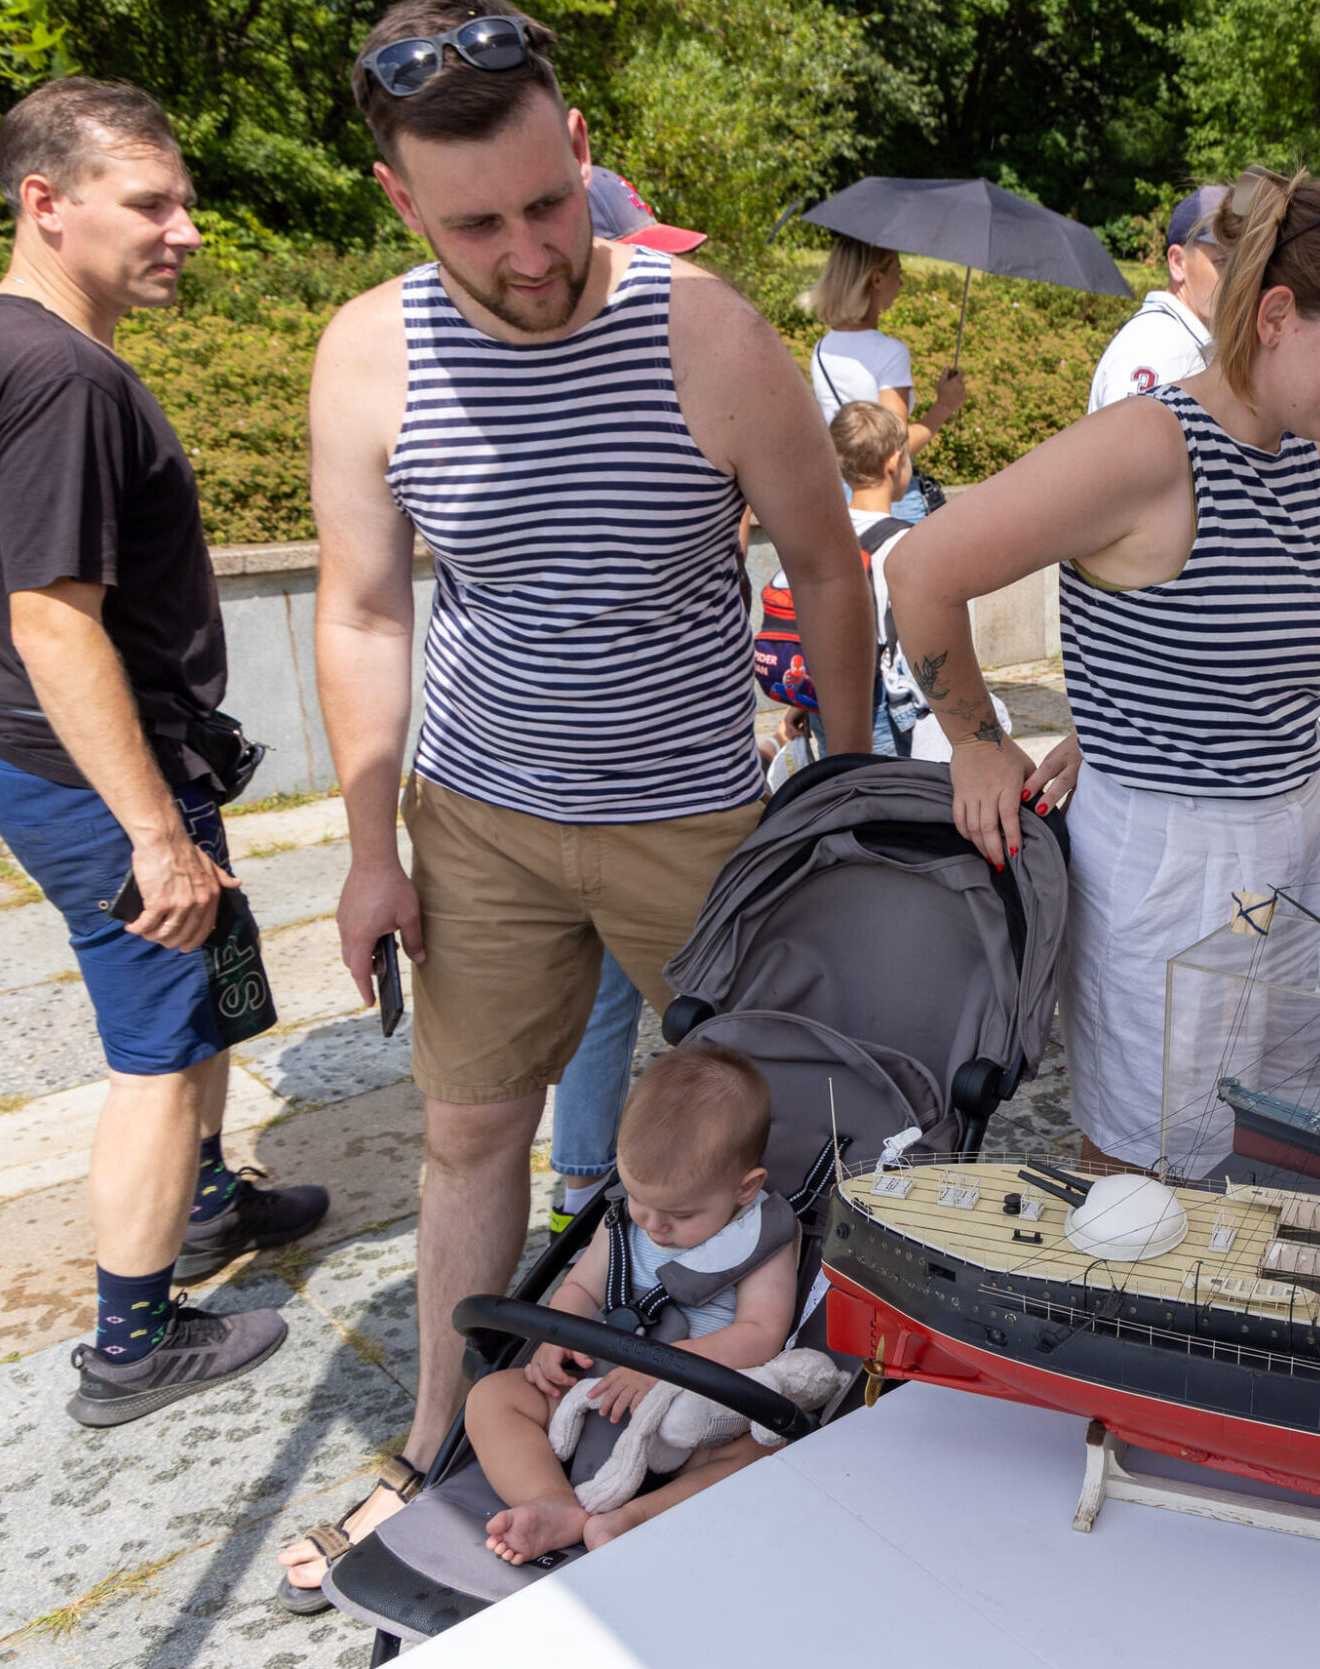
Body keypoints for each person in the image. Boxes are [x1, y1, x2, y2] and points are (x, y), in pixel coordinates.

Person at [281, 0, 873, 1608]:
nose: (531, 252)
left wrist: (837, 792)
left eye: (551, 204)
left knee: (776, 1137)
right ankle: (431, 1446)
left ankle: (764, 1412)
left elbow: (826, 565)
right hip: (477, 810)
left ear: (583, 154)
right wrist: (363, 851)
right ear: (403, 202)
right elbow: (363, 611)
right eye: (478, 222)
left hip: (692, 812)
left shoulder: (706, 331)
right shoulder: (368, 355)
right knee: (471, 1135)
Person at [888, 167, 1320, 1172]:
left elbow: (1207, 643)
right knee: (1148, 1165)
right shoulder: (1149, 446)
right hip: (1172, 867)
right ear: (1275, 314)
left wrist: (1105, 715)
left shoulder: (1312, 459)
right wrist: (977, 743)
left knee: (1280, 1136)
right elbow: (921, 568)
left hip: (1300, 835)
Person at [0, 78, 328, 1429]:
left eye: (186, 199)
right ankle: (132, 1342)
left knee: (207, 982)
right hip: (101, 780)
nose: (188, 229)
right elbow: (52, 617)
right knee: (155, 1050)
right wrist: (154, 828)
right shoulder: (59, 378)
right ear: (48, 203)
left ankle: (208, 1202)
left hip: (54, 760)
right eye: (150, 203)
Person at [541, 166, 715, 1237]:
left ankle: (588, 1181)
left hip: (643, 770)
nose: (664, 280)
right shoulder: (590, 394)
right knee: (688, 995)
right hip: (626, 778)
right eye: (642, 258)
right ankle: (666, 1188)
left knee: (617, 995)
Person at [464, 1042, 796, 1561]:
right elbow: (582, 1288)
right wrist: (557, 1338)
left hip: (687, 1410)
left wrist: (664, 1370)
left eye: (680, 1215)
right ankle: (551, 1503)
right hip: (592, 1384)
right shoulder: (627, 1219)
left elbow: (761, 1333)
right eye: (639, 1200)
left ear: (745, 1189)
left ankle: (635, 1518)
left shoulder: (763, 1237)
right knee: (491, 1398)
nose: (655, 1225)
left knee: (758, 1450)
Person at [754, 400, 930, 761]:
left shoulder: (820, 533)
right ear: (894, 462)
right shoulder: (903, 542)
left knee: (842, 785)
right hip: (878, 707)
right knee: (884, 795)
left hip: (822, 699)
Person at [801, 235, 965, 523]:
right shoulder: (890, 352)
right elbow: (894, 449)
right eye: (898, 273)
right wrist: (944, 406)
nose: (901, 283)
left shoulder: (821, 349)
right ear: (876, 279)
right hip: (889, 500)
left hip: (841, 494)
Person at [1086, 185, 1228, 414]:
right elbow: (1127, 447)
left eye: (1245, 263)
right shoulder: (1158, 346)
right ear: (1177, 263)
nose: (1239, 278)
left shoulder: (1181, 339)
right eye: (1223, 261)